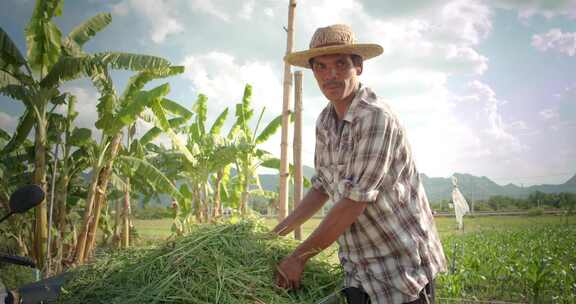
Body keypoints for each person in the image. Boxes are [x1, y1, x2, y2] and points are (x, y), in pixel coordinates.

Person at [272, 24, 447, 304]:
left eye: (341, 64)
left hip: (400, 267)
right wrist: (275, 234)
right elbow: (321, 187)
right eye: (321, 67)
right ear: (313, 72)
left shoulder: (376, 118)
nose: (331, 75)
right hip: (358, 267)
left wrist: (298, 256)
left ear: (359, 67)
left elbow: (355, 201)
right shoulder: (325, 121)